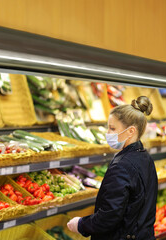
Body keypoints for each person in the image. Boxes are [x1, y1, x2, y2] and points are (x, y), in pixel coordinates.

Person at [67, 96, 158, 240]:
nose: (108, 133)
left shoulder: (122, 166)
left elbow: (110, 216)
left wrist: (80, 224)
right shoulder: (145, 157)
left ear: (130, 131)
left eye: (112, 128)